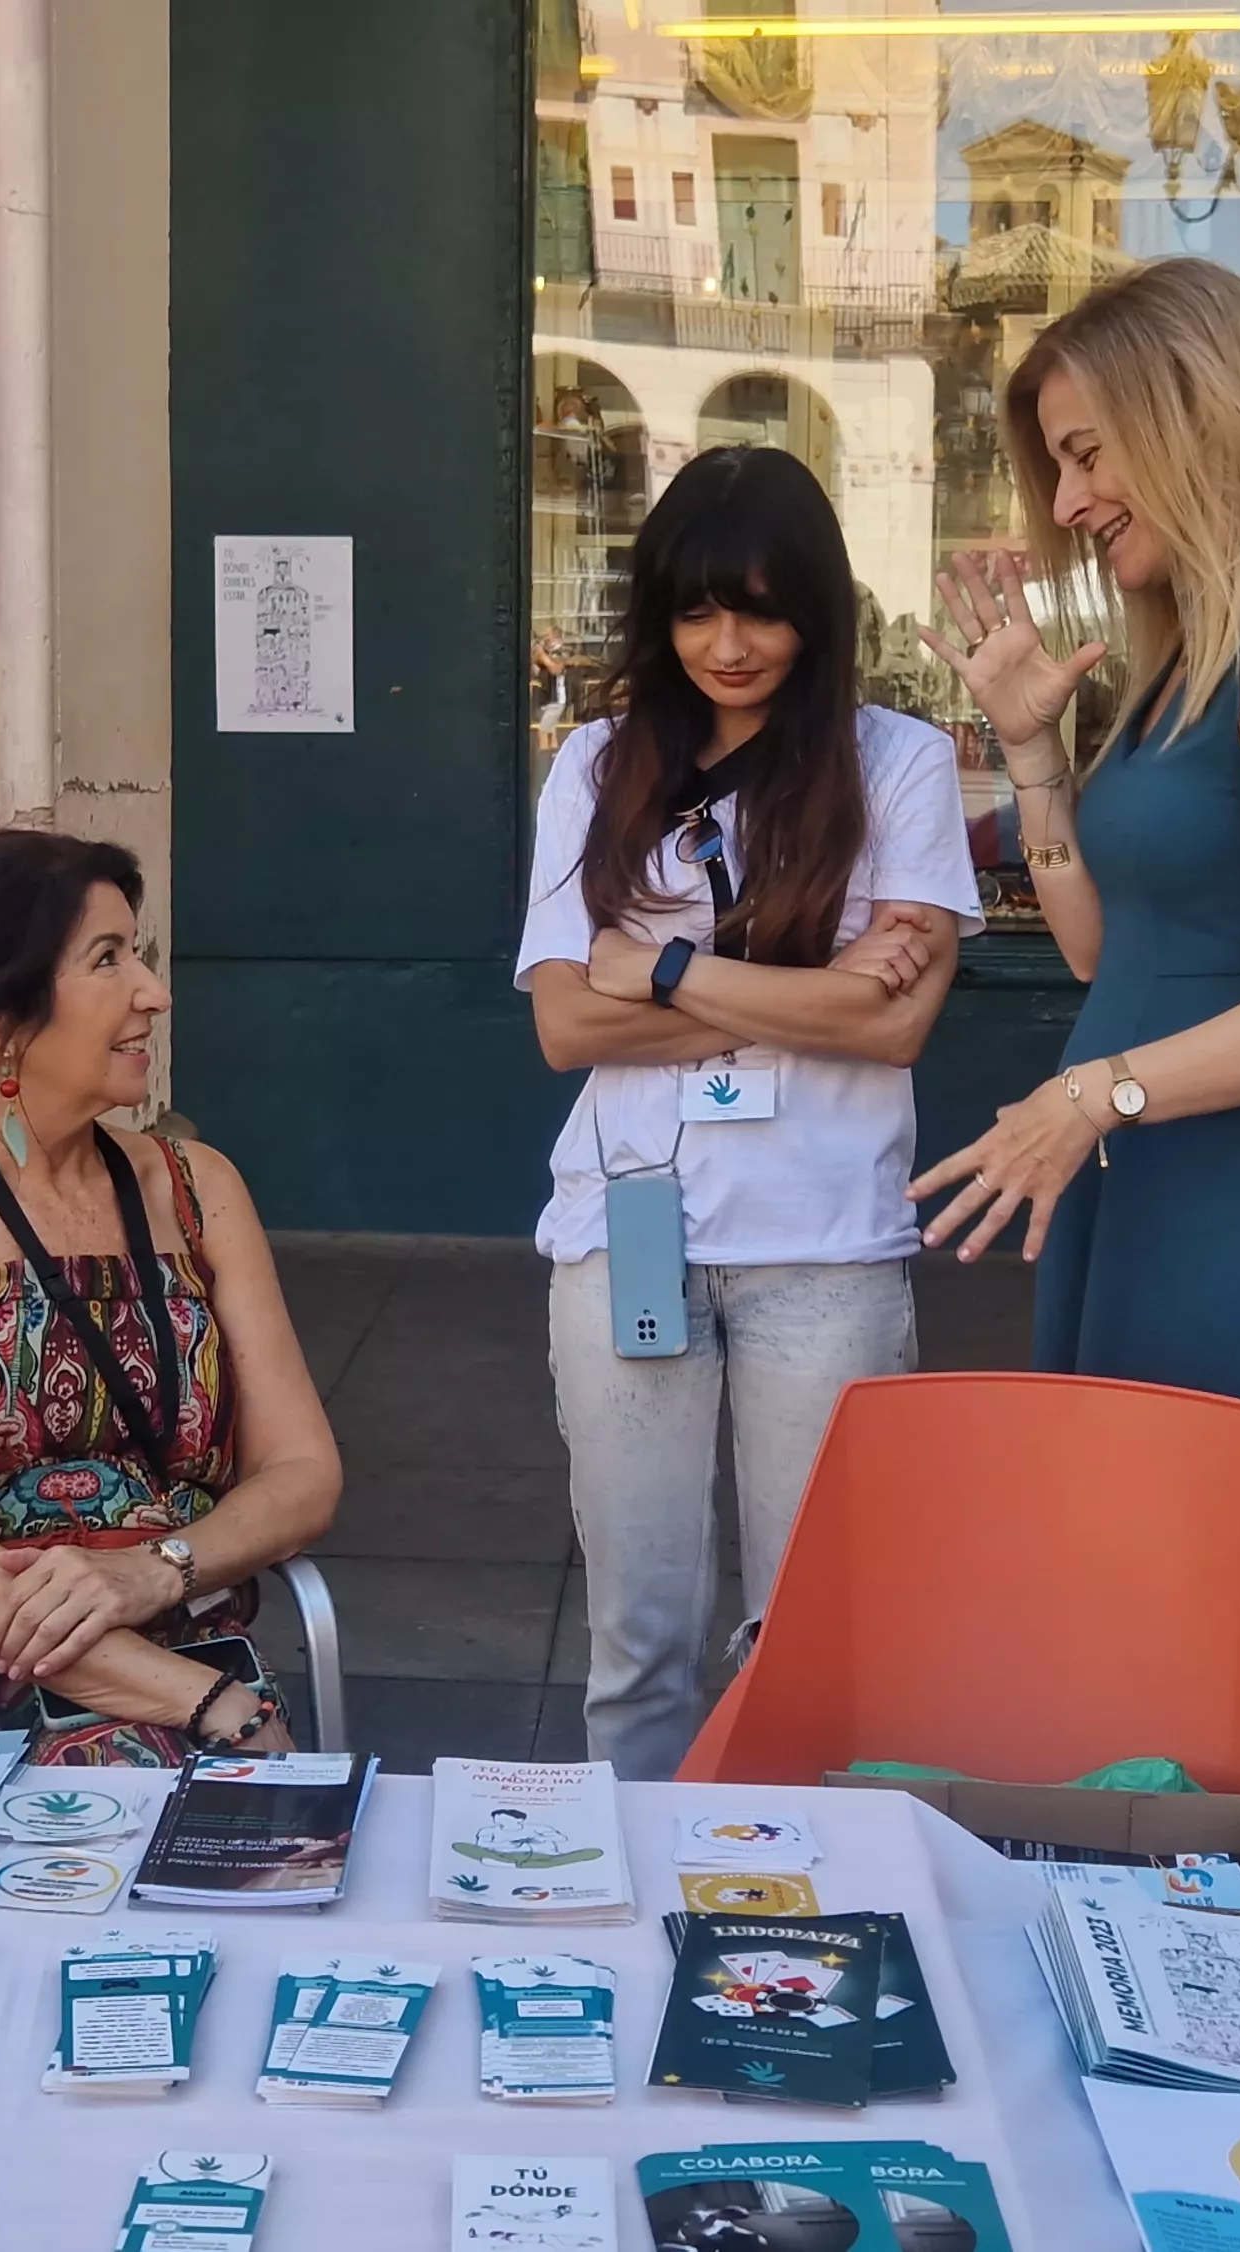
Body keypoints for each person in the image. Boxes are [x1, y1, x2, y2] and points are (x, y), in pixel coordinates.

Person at [908, 256, 1240, 1610]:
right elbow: (1108, 956)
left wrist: (1098, 1094)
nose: (1071, 501)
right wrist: (1033, 756)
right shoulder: (1194, 658)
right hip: (1150, 1180)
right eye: (1058, 466)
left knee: (1223, 1617)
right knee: (1139, 1609)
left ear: (1199, 414)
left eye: (1091, 454)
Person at [518, 445, 977, 1778]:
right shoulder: (598, 768)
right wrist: (803, 991)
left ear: (820, 613)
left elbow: (895, 1021)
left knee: (810, 1640)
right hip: (631, 1229)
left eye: (765, 610)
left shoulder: (899, 763)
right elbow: (562, 1025)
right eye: (699, 610)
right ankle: (633, 1910)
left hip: (826, 1247)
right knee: (639, 1640)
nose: (731, 644)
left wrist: (661, 969)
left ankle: (787, 1920)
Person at [0, 828, 343, 1763]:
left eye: (142, 956)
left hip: (153, 1623)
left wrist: (155, 1571)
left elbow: (302, 1478)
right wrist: (214, 1702)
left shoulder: (196, 1188)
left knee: (185, 1836)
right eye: (108, 960)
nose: (153, 993)